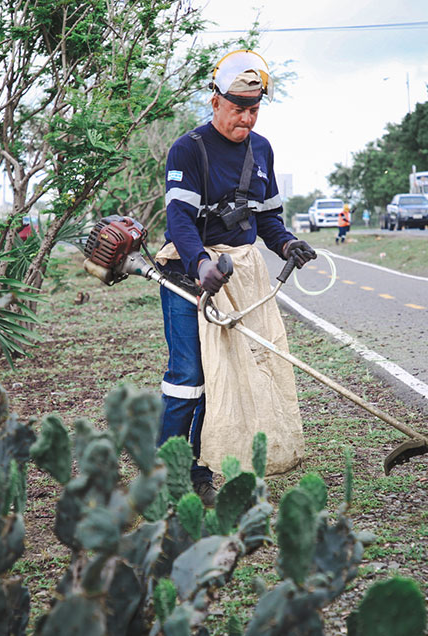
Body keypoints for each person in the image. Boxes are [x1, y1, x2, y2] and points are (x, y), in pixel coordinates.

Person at [155, 50, 316, 505]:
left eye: (253, 109)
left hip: (239, 275)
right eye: (237, 108)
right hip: (188, 274)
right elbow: (180, 220)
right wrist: (201, 263)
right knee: (189, 374)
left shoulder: (261, 149)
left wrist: (286, 244)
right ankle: (167, 470)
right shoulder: (189, 149)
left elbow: (268, 219)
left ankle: (201, 469)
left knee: (227, 373)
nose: (245, 118)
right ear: (215, 101)